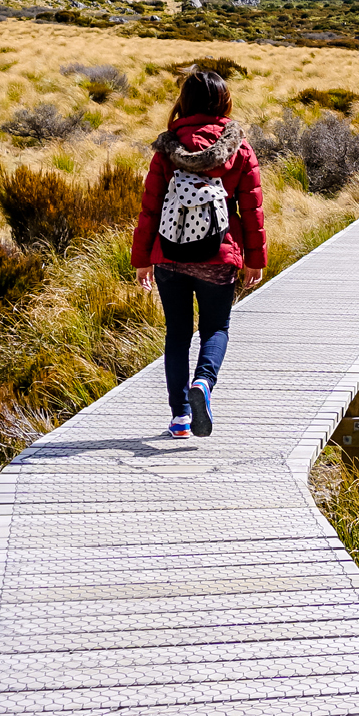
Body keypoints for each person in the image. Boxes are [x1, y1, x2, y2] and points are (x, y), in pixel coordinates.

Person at [131, 68, 266, 438]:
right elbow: (252, 208)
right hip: (218, 257)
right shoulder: (239, 147)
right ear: (223, 101)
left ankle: (179, 419)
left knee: (177, 334)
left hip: (169, 256)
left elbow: (151, 207)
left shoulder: (167, 147)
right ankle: (203, 384)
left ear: (184, 102)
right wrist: (255, 258)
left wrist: (142, 258)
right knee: (215, 328)